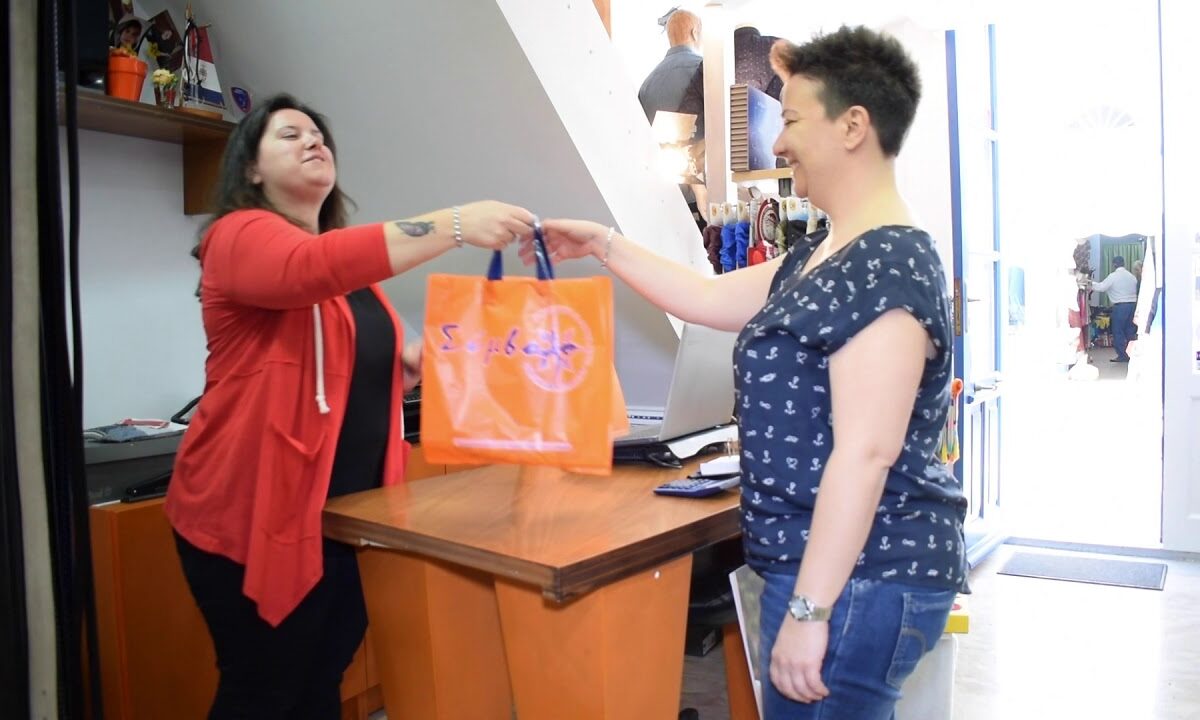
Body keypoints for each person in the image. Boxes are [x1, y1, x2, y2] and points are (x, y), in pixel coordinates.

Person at [534, 25, 966, 718]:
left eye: (792, 119)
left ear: (853, 126)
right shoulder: (825, 253)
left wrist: (809, 610)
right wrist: (603, 243)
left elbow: (865, 455)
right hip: (826, 573)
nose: (780, 141)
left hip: (860, 578)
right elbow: (705, 298)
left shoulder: (886, 266)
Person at [164, 93, 534, 719]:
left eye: (318, 134)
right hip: (252, 510)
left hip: (343, 518)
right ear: (250, 168)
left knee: (319, 683)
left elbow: (340, 370)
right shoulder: (237, 235)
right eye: (289, 135)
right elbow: (303, 270)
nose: (313, 141)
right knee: (265, 690)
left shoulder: (345, 269)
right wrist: (454, 224)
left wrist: (408, 367)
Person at [639, 8, 707, 227]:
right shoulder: (707, 71)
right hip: (704, 198)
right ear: (695, 33)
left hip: (664, 197)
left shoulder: (647, 84)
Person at [1092, 255, 1139, 362]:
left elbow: (1102, 287)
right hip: (1132, 306)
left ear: (1114, 264)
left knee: (1118, 331)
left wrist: (1090, 284)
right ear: (1124, 263)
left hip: (1120, 307)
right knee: (1130, 331)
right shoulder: (1132, 277)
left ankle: (1122, 356)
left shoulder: (1113, 276)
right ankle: (1133, 354)